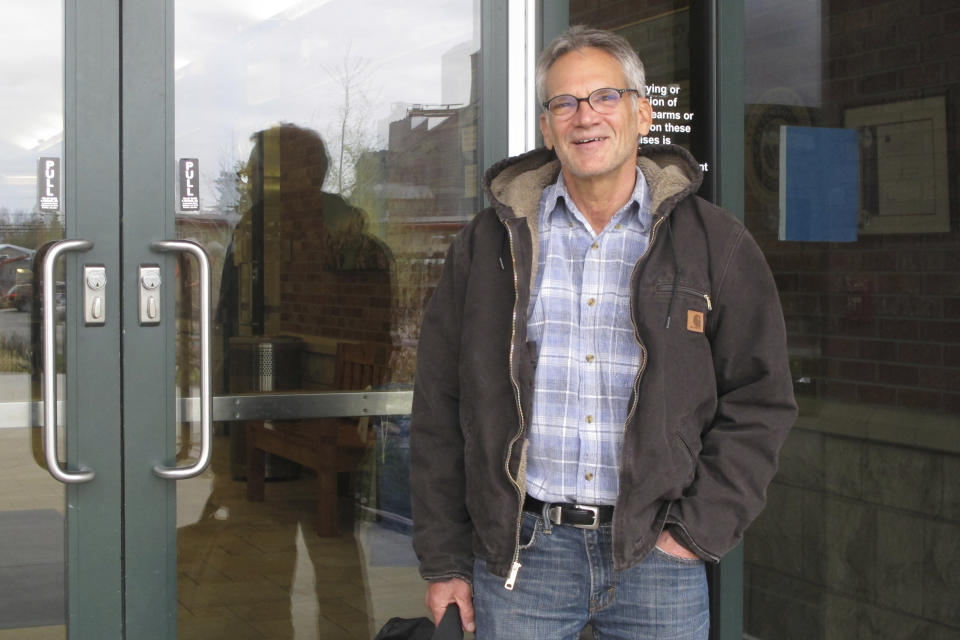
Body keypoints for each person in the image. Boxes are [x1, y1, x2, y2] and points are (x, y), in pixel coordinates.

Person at [409, 25, 797, 640]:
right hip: (522, 558)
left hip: (658, 560)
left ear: (642, 111)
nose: (584, 117)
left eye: (604, 98)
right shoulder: (489, 244)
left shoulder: (713, 243)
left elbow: (761, 398)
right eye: (564, 102)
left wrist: (695, 534)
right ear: (546, 127)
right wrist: (445, 560)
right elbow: (438, 407)